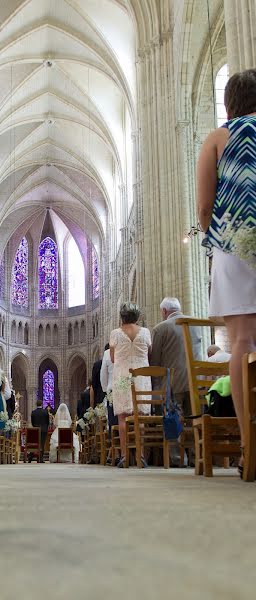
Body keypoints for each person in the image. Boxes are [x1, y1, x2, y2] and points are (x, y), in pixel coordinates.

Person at [197, 68, 256, 476]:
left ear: (228, 103)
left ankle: (249, 448)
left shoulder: (218, 138)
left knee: (241, 343)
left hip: (235, 242)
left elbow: (204, 209)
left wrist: (214, 235)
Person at [110, 303, 152, 468]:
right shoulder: (146, 332)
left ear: (122, 317)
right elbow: (149, 353)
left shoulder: (115, 333)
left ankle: (124, 456)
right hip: (141, 376)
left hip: (122, 377)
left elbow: (113, 359)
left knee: (122, 416)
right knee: (139, 415)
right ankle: (140, 456)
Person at [150, 297, 202, 417]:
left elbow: (155, 362)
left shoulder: (160, 328)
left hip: (172, 384)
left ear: (164, 311)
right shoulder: (195, 324)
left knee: (174, 423)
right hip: (195, 382)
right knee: (194, 420)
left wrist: (156, 389)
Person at [100, 343, 118, 435]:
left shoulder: (107, 353)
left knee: (113, 420)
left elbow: (103, 375)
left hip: (113, 390)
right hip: (128, 389)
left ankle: (116, 447)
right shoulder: (129, 350)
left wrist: (105, 389)